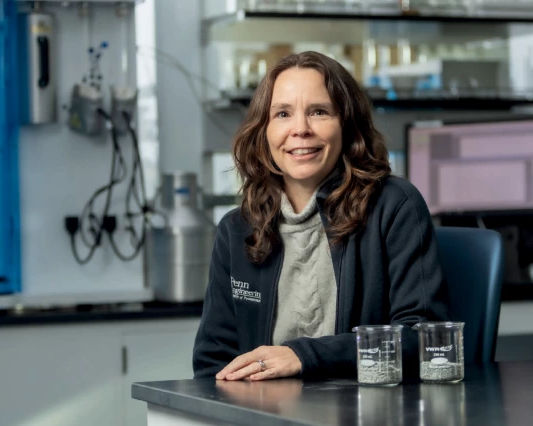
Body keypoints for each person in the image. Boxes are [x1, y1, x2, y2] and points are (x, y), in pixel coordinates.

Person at [192, 51, 450, 381]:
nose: (300, 129)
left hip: (366, 410)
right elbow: (214, 363)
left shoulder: (394, 206)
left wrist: (304, 356)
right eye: (283, 113)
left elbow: (423, 339)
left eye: (319, 112)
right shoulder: (237, 227)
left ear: (346, 125)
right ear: (264, 131)